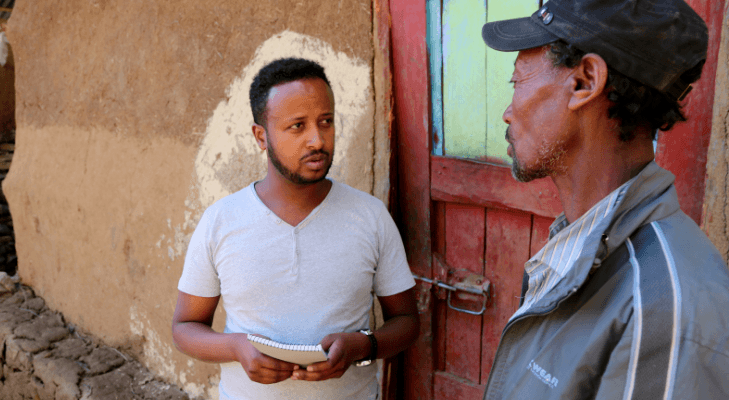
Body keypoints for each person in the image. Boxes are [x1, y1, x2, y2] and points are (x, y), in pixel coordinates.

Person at [479, 0, 729, 398]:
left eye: (518, 81)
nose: (509, 112)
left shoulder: (664, 309)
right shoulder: (583, 250)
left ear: (585, 81)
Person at [171, 58, 419, 400]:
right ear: (261, 136)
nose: (317, 140)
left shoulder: (370, 216)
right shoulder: (221, 221)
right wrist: (236, 347)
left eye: (326, 122)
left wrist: (362, 345)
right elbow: (185, 328)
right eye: (297, 126)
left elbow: (406, 321)